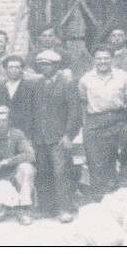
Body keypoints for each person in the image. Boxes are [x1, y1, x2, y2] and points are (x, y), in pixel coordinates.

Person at [78, 44, 127, 199]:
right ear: (94, 60)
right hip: (95, 121)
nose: (103, 61)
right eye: (99, 58)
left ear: (112, 59)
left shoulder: (122, 76)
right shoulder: (86, 80)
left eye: (106, 58)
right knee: (97, 162)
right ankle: (100, 198)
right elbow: (83, 104)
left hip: (118, 120)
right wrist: (86, 126)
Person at [32, 50, 82, 223]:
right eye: (41, 65)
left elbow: (75, 112)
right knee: (43, 172)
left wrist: (69, 135)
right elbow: (35, 111)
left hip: (59, 137)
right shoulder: (37, 84)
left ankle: (65, 208)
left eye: (48, 65)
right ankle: (47, 208)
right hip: (41, 137)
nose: (44, 68)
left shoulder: (68, 83)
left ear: (56, 66)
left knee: (61, 173)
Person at [0, 106, 36, 225]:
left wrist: (8, 161)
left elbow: (30, 155)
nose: (1, 124)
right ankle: (2, 206)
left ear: (9, 121)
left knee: (27, 168)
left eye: (4, 120)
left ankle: (23, 208)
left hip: (14, 177)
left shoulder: (17, 134)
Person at [0, 55, 39, 141]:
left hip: (25, 131)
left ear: (22, 70)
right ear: (5, 69)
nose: (14, 70)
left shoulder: (30, 87)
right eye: (11, 67)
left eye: (17, 67)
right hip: (4, 132)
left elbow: (35, 110)